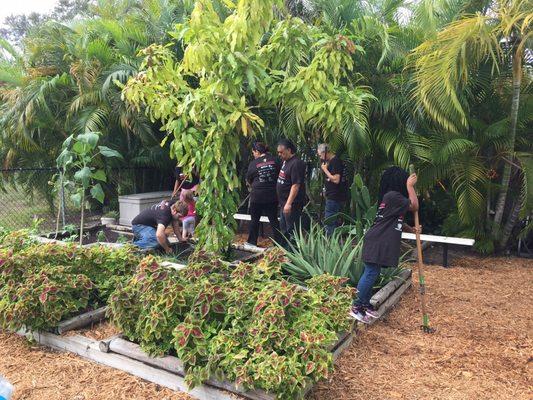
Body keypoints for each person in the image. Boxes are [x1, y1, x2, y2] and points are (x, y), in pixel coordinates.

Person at [351, 166, 420, 324]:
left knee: (373, 272)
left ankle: (364, 305)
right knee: (371, 272)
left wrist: (412, 229)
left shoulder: (392, 198)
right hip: (378, 240)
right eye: (404, 181)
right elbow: (415, 206)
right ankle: (356, 306)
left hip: (378, 239)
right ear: (399, 182)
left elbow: (396, 220)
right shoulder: (394, 196)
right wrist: (410, 186)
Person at [245, 142, 282, 246]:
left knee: (254, 220)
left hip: (257, 196)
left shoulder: (254, 163)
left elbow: (249, 178)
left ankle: (252, 242)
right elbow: (281, 175)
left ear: (257, 151)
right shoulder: (276, 160)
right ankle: (279, 243)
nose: (253, 155)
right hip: (272, 195)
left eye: (253, 153)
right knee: (274, 220)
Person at [276, 139, 307, 246]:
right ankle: (285, 254)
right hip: (283, 202)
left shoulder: (296, 163)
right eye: (278, 152)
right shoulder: (285, 162)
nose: (279, 154)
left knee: (292, 230)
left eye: (281, 152)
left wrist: (289, 203)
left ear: (289, 150)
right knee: (284, 229)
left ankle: (294, 253)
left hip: (292, 204)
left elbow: (296, 185)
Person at [317, 143, 349, 236]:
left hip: (334, 196)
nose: (320, 158)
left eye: (320, 155)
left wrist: (325, 170)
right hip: (332, 194)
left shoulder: (335, 161)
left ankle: (330, 241)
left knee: (330, 220)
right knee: (331, 219)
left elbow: (336, 179)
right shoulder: (331, 162)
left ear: (325, 153)